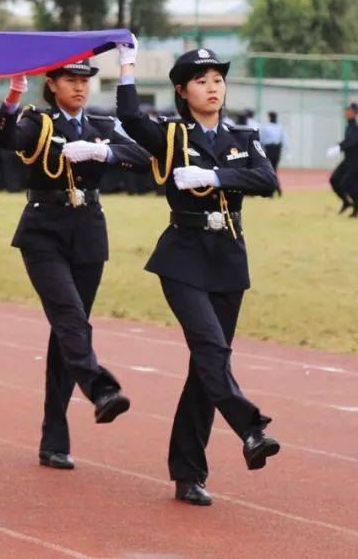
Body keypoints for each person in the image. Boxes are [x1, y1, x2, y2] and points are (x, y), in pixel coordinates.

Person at [116, 41, 280, 507]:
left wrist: (217, 179)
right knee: (211, 350)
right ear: (182, 91)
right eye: (202, 81)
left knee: (205, 369)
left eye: (218, 80)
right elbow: (129, 118)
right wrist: (127, 63)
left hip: (228, 257)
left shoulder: (243, 137)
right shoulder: (171, 137)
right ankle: (250, 428)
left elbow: (266, 181)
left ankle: (188, 473)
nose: (213, 88)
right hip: (183, 256)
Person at [0, 61, 148, 470]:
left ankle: (54, 439)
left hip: (88, 232)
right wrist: (12, 97)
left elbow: (143, 157)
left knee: (69, 330)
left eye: (85, 81)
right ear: (52, 84)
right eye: (71, 80)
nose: (80, 88)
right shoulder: (39, 123)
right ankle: (100, 388)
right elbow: (6, 139)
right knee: (70, 318)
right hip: (44, 231)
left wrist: (104, 150)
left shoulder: (100, 124)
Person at [329, 104, 358, 214]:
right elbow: (347, 140)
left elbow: (353, 141)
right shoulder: (349, 125)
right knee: (334, 179)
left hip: (355, 160)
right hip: (348, 159)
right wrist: (338, 146)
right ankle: (346, 202)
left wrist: (340, 147)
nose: (346, 113)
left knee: (348, 183)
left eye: (348, 111)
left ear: (354, 112)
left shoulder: (357, 126)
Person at [259, 111, 288, 195]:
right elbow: (284, 139)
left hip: (271, 149)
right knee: (272, 170)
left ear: (269, 118)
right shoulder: (280, 127)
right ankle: (278, 189)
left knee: (270, 170)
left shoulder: (266, 128)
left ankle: (272, 191)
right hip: (276, 149)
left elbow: (261, 140)